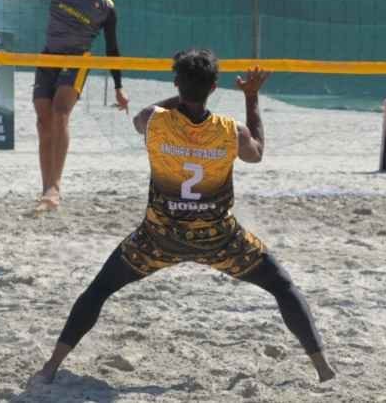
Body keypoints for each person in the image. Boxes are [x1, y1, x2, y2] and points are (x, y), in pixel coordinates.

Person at [30, 49, 335, 386]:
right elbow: (257, 154)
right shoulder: (231, 131)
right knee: (283, 287)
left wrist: (185, 92)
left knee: (98, 290)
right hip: (219, 239)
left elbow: (139, 120)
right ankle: (323, 368)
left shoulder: (155, 120)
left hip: (158, 238)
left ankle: (50, 367)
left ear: (176, 83)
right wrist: (250, 97)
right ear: (214, 88)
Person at [16, 0, 130, 211]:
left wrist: (119, 87)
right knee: (43, 123)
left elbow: (113, 49)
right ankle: (46, 189)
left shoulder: (107, 7)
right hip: (48, 57)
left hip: (77, 60)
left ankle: (54, 188)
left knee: (60, 113)